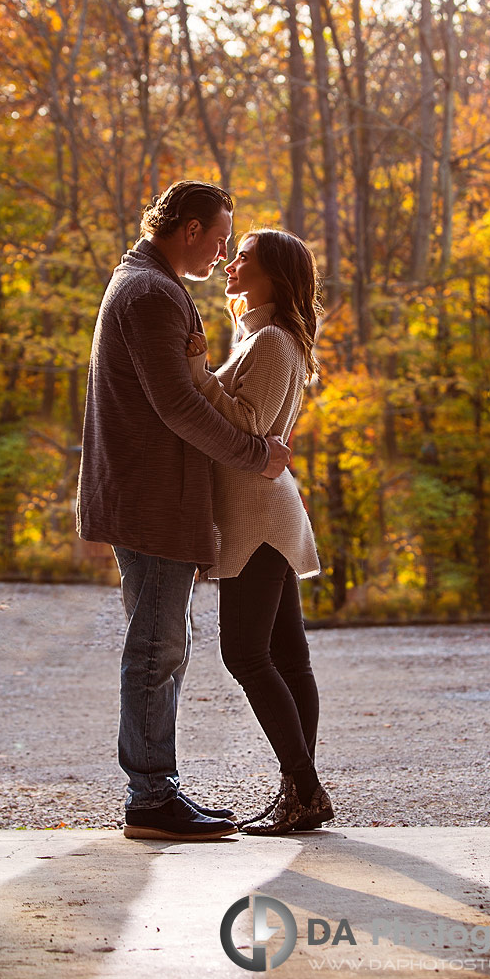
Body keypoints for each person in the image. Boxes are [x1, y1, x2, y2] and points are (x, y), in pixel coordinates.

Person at [76, 181, 291, 842]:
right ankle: (150, 798)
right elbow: (176, 406)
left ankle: (156, 791)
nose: (223, 251)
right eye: (220, 236)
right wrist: (255, 453)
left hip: (150, 493)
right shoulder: (151, 292)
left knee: (163, 644)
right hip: (152, 497)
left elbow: (178, 395)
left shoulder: (145, 283)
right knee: (156, 648)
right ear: (189, 228)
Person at [185, 227, 334, 835]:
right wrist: (233, 332)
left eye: (243, 256)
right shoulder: (264, 335)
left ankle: (305, 788)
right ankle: (300, 792)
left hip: (259, 520)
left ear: (272, 271)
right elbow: (246, 405)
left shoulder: (273, 341)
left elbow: (249, 424)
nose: (230, 262)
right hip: (261, 516)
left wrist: (195, 370)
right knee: (288, 657)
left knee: (245, 653)